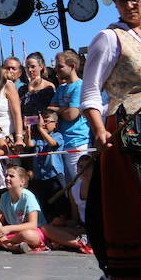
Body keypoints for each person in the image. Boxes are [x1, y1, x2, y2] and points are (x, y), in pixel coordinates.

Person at [81, 0, 141, 280]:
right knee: (140, 208)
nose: (130, 4)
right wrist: (99, 130)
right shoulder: (109, 38)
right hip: (129, 136)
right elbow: (89, 92)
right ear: (115, 4)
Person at [0, 165, 49, 253]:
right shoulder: (5, 196)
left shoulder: (28, 197)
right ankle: (12, 247)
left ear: (22, 182)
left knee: (27, 235)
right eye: (6, 176)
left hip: (32, 232)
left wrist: (9, 228)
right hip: (14, 233)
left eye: (11, 176)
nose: (7, 178)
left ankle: (5, 243)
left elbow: (33, 224)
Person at [48, 50, 90, 185]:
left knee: (80, 184)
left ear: (72, 66)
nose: (57, 70)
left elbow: (72, 115)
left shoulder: (80, 86)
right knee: (70, 186)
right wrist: (63, 110)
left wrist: (59, 110)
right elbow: (50, 111)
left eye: (60, 66)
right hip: (63, 143)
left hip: (78, 141)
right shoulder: (61, 88)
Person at [24, 109, 69, 222]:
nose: (43, 124)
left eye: (46, 121)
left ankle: (62, 224)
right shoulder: (39, 138)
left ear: (55, 124)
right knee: (45, 204)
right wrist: (28, 131)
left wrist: (40, 128)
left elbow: (53, 143)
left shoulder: (58, 135)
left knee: (60, 203)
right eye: (41, 121)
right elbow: (29, 144)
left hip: (54, 175)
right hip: (41, 176)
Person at [18, 52, 56, 127]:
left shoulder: (48, 86)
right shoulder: (22, 89)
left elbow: (44, 110)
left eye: (33, 67)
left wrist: (31, 91)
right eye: (27, 67)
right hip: (26, 128)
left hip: (43, 128)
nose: (29, 70)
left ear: (41, 66)